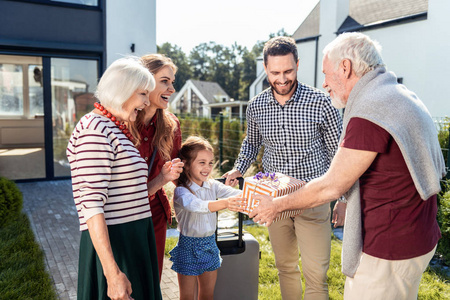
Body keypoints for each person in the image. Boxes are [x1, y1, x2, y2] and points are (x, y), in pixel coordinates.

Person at [250, 32, 446, 300]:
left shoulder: (370, 111)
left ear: (345, 67)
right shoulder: (398, 94)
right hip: (415, 237)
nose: (325, 83)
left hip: (387, 249)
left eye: (327, 73)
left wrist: (275, 205)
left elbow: (332, 184)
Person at [223, 36, 344, 300]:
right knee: (285, 268)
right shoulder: (256, 106)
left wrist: (343, 198)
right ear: (265, 69)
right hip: (272, 200)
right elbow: (251, 143)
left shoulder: (322, 102)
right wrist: (238, 169)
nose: (282, 78)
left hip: (313, 198)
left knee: (316, 274)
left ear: (298, 65)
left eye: (288, 71)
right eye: (275, 72)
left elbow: (340, 153)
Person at [67, 57, 164, 300]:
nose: (145, 101)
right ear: (122, 90)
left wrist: (162, 178)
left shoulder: (114, 128)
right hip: (118, 245)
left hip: (134, 240)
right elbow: (91, 205)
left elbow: (131, 195)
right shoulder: (95, 130)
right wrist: (112, 273)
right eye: (143, 93)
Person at [128, 53, 184, 280]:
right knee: (127, 281)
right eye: (164, 81)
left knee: (152, 280)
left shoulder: (171, 125)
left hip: (155, 215)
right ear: (145, 82)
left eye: (172, 82)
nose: (171, 88)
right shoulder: (123, 123)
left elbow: (178, 173)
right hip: (125, 216)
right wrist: (161, 179)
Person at [170, 136, 244, 300]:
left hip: (210, 244)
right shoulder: (181, 191)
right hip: (188, 247)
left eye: (210, 163)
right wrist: (225, 203)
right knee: (187, 297)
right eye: (201, 162)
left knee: (207, 296)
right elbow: (198, 206)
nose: (207, 167)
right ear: (187, 164)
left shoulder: (213, 185)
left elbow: (236, 194)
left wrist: (260, 193)